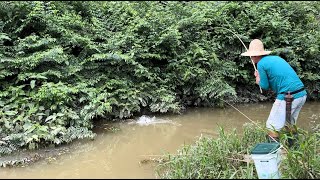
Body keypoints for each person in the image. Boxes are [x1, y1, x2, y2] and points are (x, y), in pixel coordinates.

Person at [241, 39, 307, 145]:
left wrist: (258, 80)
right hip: (301, 94)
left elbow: (265, 86)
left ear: (253, 56)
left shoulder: (261, 64)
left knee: (272, 125)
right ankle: (294, 151)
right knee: (289, 124)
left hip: (288, 96)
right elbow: (276, 79)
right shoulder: (276, 58)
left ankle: (272, 154)